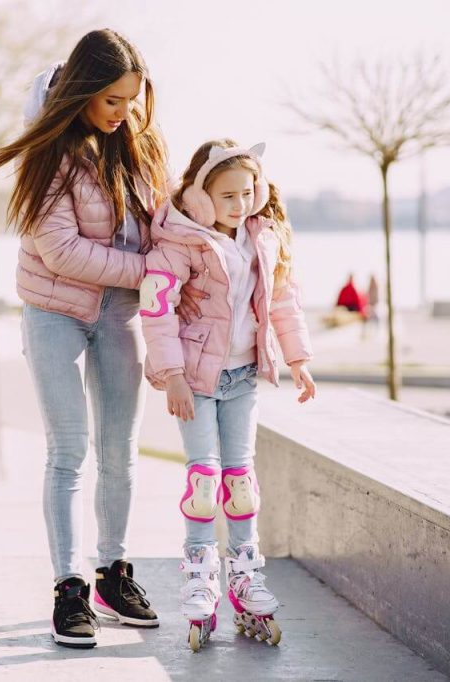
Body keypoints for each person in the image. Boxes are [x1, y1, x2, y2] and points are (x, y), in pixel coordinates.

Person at [0, 29, 173, 648]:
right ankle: (68, 587)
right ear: (83, 91)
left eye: (132, 100)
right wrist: (148, 271)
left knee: (121, 448)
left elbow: (161, 223)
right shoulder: (49, 152)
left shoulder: (140, 147)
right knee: (69, 450)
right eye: (112, 100)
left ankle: (113, 573)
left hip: (119, 314)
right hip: (53, 309)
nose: (124, 113)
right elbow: (59, 251)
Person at [139, 140, 315, 651]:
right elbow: (157, 311)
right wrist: (171, 374)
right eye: (227, 195)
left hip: (242, 379)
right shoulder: (179, 241)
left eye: (247, 193)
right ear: (200, 196)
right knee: (204, 478)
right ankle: (199, 576)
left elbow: (283, 299)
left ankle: (245, 574)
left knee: (240, 481)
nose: (239, 205)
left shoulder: (262, 239)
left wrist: (298, 359)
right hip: (195, 380)